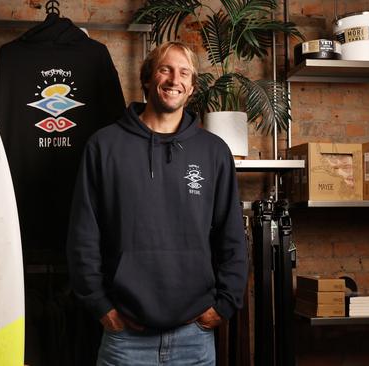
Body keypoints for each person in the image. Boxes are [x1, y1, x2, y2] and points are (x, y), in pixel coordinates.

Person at [67, 41, 248, 365]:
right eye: (165, 69)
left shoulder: (214, 152)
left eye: (184, 73)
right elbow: (83, 234)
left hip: (194, 338)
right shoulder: (104, 146)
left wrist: (224, 305)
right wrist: (100, 305)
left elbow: (231, 236)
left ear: (192, 87)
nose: (173, 79)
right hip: (124, 339)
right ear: (148, 78)